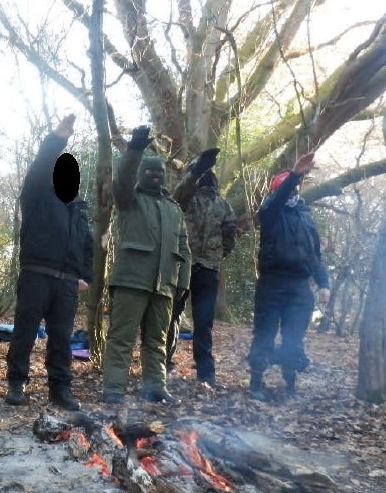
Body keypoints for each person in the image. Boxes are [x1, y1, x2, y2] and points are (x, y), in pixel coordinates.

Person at [4, 114, 94, 411]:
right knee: (25, 332)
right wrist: (57, 139)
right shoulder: (38, 196)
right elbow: (41, 165)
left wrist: (86, 276)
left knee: (61, 338)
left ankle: (60, 388)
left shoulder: (80, 212)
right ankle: (17, 382)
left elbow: (88, 249)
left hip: (67, 283)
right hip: (36, 274)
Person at [101, 125, 191, 406]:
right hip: (131, 280)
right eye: (150, 172)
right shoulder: (129, 199)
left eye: (160, 173)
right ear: (142, 173)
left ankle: (156, 387)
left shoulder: (173, 208)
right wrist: (135, 149)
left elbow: (184, 248)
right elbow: (122, 181)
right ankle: (114, 389)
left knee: (157, 341)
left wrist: (183, 285)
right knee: (121, 338)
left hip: (164, 285)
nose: (155, 176)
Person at [248, 152, 330, 401]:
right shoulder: (270, 212)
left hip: (299, 287)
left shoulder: (306, 218)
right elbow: (277, 201)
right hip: (272, 284)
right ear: (280, 190)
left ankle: (290, 386)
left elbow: (314, 254)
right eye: (289, 189)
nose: (293, 193)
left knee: (294, 338)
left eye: (296, 189)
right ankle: (256, 384)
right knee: (265, 333)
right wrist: (294, 174)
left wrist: (323, 284)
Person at [171, 148, 237, 389]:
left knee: (200, 323)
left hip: (200, 268)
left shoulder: (222, 205)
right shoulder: (188, 198)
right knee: (178, 319)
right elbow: (230, 238)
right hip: (186, 266)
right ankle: (170, 368)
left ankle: (205, 375)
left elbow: (230, 236)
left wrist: (215, 256)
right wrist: (197, 168)